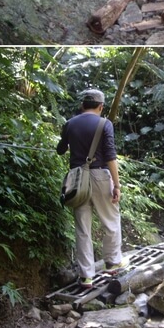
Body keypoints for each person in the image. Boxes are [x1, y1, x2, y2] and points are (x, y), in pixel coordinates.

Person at [57, 88, 127, 288]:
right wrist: (117, 185)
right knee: (110, 220)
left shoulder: (70, 124)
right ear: (101, 106)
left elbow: (60, 149)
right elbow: (111, 156)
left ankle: (86, 275)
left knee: (82, 228)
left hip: (77, 179)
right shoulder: (105, 124)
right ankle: (112, 261)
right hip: (100, 176)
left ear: (82, 105)